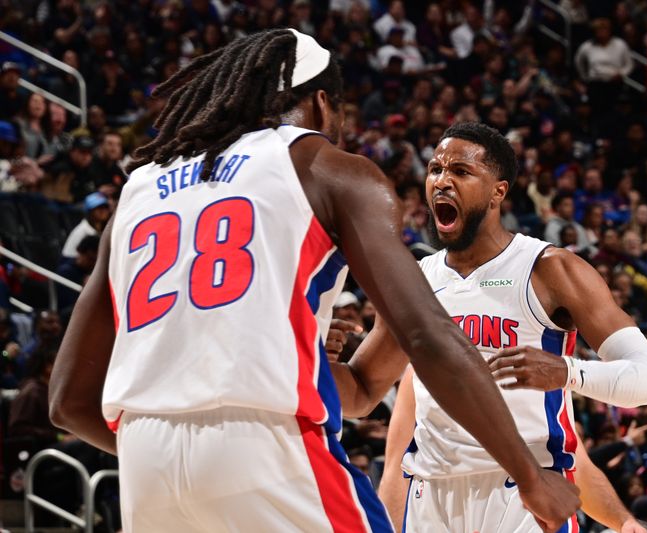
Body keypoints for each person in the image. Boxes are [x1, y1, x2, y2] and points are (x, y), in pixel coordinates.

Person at [48, 29, 579, 532]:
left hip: (144, 461)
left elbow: (68, 400)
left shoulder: (140, 186)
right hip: (266, 447)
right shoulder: (328, 168)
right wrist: (530, 479)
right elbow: (428, 336)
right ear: (325, 103)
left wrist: (177, 456)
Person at [331, 122, 647, 532]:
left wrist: (566, 372)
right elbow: (360, 394)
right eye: (435, 169)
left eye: (460, 171)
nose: (442, 181)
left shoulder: (551, 269)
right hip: (430, 496)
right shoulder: (414, 281)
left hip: (525, 491)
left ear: (499, 192)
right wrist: (317, 358)